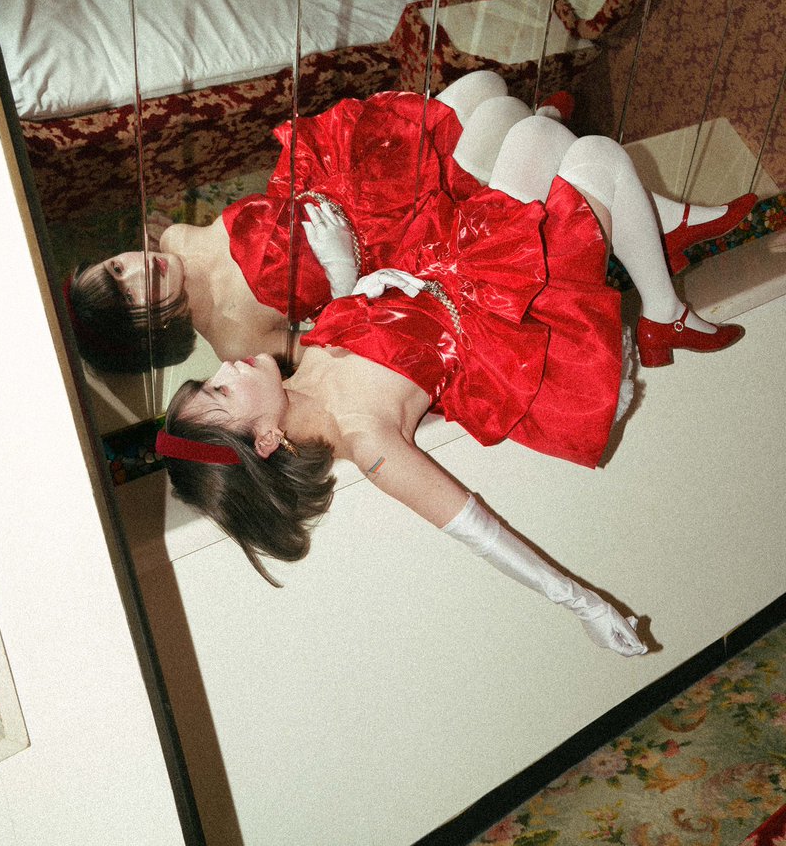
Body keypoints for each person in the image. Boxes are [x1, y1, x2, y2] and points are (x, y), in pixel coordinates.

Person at [154, 118, 751, 654]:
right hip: (512, 316)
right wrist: (586, 605)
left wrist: (348, 276)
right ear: (263, 441)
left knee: (536, 135)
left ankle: (665, 278)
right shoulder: (367, 441)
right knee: (597, 157)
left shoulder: (303, 368)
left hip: (461, 260)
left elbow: (363, 328)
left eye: (208, 381)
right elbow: (479, 532)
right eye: (221, 395)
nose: (226, 370)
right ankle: (664, 308)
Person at [65, 72, 756, 374]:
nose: (138, 269)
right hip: (399, 245)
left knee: (485, 89)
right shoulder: (235, 342)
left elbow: (273, 213)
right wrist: (340, 266)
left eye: (117, 266)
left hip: (362, 186)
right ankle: (653, 229)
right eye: (130, 291)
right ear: (148, 331)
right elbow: (340, 344)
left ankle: (624, 202)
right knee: (501, 117)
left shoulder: (175, 238)